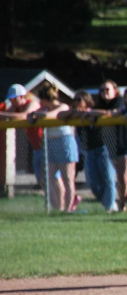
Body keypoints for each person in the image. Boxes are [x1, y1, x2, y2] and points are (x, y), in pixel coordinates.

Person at [27, 82, 78, 212]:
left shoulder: (62, 106)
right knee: (48, 177)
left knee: (67, 178)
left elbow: (50, 116)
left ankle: (68, 209)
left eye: (42, 100)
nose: (41, 103)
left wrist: (36, 114)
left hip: (64, 142)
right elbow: (30, 116)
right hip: (50, 143)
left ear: (46, 99)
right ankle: (57, 208)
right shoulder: (43, 109)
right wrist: (33, 114)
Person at [87, 80, 123, 212]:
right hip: (95, 145)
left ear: (115, 91)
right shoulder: (99, 104)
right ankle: (110, 203)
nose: (104, 92)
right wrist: (92, 113)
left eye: (107, 89)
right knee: (93, 183)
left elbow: (112, 113)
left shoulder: (119, 101)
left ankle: (110, 206)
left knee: (109, 179)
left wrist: (93, 113)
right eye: (102, 90)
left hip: (113, 146)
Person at [0, 84, 44, 186]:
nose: (11, 101)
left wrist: (2, 114)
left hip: (46, 147)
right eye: (10, 99)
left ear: (22, 96)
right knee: (41, 181)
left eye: (14, 98)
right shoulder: (16, 108)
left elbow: (25, 116)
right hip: (36, 149)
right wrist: (10, 109)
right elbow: (6, 117)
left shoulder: (32, 103)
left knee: (50, 180)